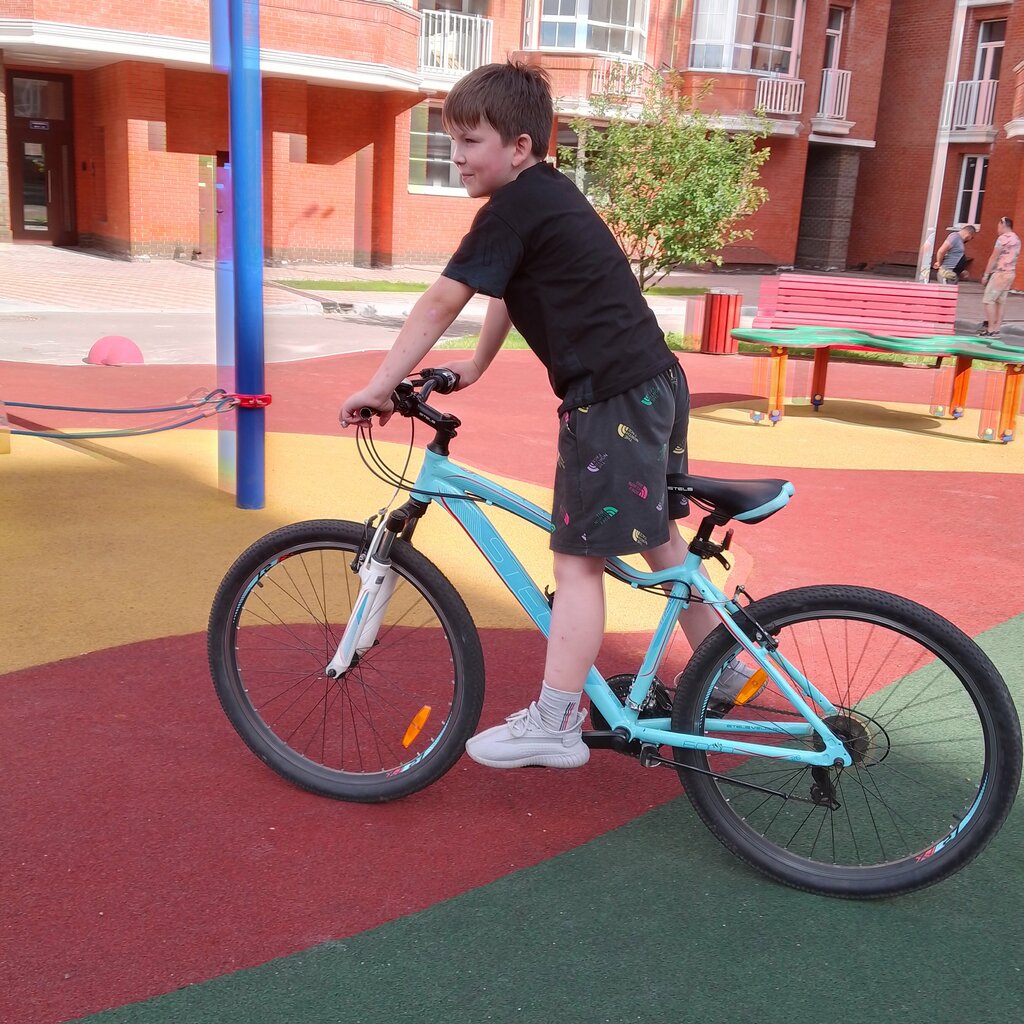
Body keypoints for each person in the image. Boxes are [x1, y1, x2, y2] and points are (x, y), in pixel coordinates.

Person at [339, 61, 754, 770]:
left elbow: (442, 299)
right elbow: (507, 288)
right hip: (652, 382)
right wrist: (477, 365)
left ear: (520, 146)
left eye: (471, 141)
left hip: (610, 398)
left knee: (578, 560)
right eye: (452, 140)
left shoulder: (511, 208)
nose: (456, 155)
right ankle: (731, 665)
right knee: (659, 539)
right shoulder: (544, 195)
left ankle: (555, 723)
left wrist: (380, 386)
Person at [979, 216, 1021, 336]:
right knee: (1000, 301)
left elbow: (994, 257)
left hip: (1000, 273)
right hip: (1010, 273)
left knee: (988, 300)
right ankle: (997, 328)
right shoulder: (1016, 239)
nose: (997, 228)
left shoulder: (1003, 239)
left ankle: (990, 329)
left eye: (998, 225)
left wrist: (986, 275)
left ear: (1003, 224)